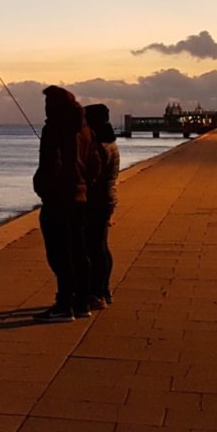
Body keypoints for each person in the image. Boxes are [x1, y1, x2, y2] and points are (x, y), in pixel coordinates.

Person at [32, 86, 102, 322]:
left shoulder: (54, 129)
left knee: (59, 254)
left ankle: (64, 304)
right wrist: (84, 184)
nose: (45, 108)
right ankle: (81, 302)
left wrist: (41, 186)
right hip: (80, 199)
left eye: (47, 103)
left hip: (58, 200)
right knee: (79, 252)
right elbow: (96, 164)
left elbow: (51, 164)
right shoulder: (86, 130)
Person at [84, 103, 120, 308]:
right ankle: (104, 290)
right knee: (100, 247)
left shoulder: (99, 146)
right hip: (107, 198)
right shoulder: (110, 143)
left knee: (95, 248)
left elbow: (92, 176)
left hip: (98, 201)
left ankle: (98, 292)